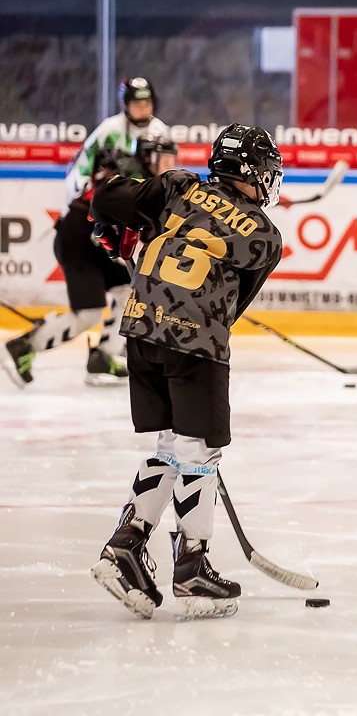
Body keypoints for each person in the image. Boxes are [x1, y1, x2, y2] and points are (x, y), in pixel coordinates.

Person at [87, 123, 284, 620]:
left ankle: (126, 547)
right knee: (199, 453)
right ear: (255, 174)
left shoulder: (178, 185)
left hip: (140, 327)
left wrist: (112, 232)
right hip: (195, 340)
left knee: (170, 445)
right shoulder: (263, 235)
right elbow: (232, 308)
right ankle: (192, 567)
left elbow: (106, 197)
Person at [2, 77, 176, 388]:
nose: (166, 166)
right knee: (89, 314)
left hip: (95, 236)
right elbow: (82, 177)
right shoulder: (111, 140)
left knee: (130, 290)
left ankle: (102, 358)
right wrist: (93, 221)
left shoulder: (153, 145)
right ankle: (22, 347)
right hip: (80, 238)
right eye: (160, 159)